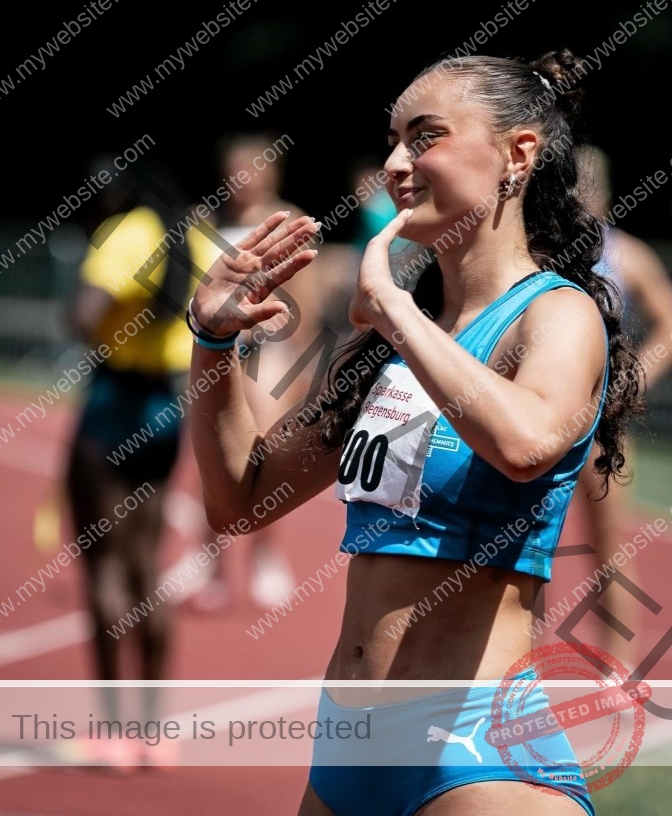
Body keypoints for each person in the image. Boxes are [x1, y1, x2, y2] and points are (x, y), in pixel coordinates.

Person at [186, 50, 645, 814]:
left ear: (517, 155)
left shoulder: (555, 313)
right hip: (347, 753)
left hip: (475, 758)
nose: (397, 162)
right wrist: (211, 343)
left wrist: (393, 312)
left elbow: (527, 443)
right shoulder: (402, 341)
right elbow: (241, 498)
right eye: (393, 140)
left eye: (424, 136)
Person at [64, 157, 217, 768]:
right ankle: (155, 733)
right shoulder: (197, 236)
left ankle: (111, 732)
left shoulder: (125, 235)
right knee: (147, 564)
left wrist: (96, 327)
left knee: (103, 566)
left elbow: (81, 315)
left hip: (114, 400)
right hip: (166, 404)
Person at [187, 132, 324, 612]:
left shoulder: (287, 221)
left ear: (270, 172)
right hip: (216, 353)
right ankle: (211, 567)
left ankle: (266, 558)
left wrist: (302, 362)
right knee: (209, 458)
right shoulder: (208, 223)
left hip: (271, 354)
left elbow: (306, 296)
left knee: (263, 454)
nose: (242, 180)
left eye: (251, 169)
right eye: (234, 170)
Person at [567, 144, 672, 669]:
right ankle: (511, 662)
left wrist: (632, 381)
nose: (580, 196)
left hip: (601, 416)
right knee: (519, 537)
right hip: (537, 409)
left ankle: (618, 660)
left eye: (589, 186)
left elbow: (668, 323)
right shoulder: (543, 251)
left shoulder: (625, 253)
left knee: (609, 538)